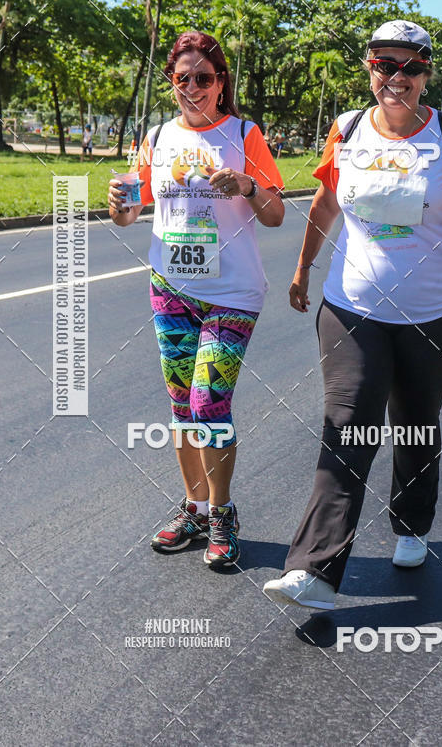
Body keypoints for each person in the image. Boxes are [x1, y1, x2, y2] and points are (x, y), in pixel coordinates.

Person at [263, 20, 442, 610]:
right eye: (385, 65)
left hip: (435, 314)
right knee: (347, 424)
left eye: (410, 67)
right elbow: (324, 203)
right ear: (369, 69)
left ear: (426, 75)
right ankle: (314, 570)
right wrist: (303, 268)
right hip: (352, 309)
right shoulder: (347, 128)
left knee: (415, 421)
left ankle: (412, 524)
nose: (397, 77)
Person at [108, 30, 284, 567]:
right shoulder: (157, 138)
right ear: (171, 82)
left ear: (220, 82)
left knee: (209, 402)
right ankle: (194, 508)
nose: (192, 87)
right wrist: (118, 202)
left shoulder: (244, 134)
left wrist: (248, 187)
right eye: (182, 78)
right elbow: (128, 215)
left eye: (203, 77)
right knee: (182, 405)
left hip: (232, 293)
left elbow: (276, 214)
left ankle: (222, 512)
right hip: (171, 289)